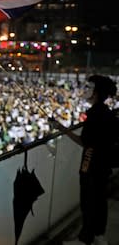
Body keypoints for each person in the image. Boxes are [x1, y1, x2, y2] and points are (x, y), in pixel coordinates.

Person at [51, 75, 118, 245]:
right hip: (104, 165)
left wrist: (61, 128)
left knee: (88, 203)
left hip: (91, 165)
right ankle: (99, 235)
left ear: (96, 93)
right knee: (100, 201)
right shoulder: (107, 113)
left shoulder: (94, 115)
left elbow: (84, 142)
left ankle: (84, 239)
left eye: (89, 88)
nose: (85, 90)